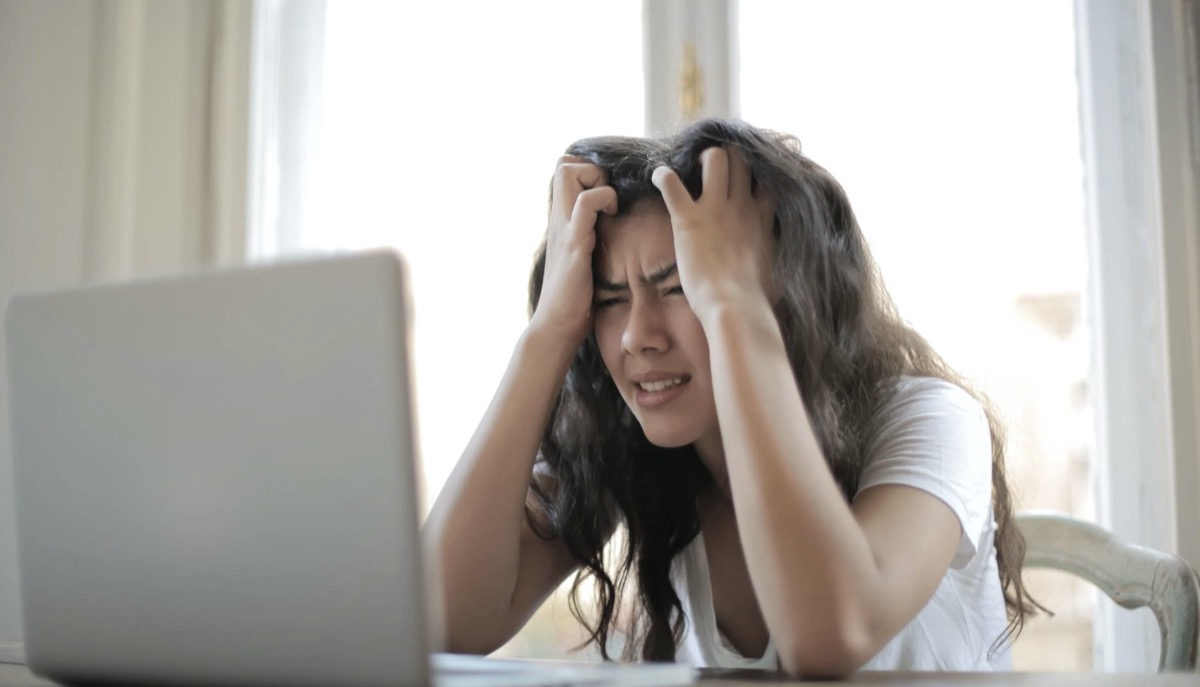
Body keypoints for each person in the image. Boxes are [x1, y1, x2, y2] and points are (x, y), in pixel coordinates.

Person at [423, 118, 1040, 676]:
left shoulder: (932, 419)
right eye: (609, 300)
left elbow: (828, 636)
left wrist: (734, 308)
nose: (638, 336)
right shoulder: (637, 451)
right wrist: (549, 331)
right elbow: (440, 623)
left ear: (785, 294)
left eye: (682, 287)